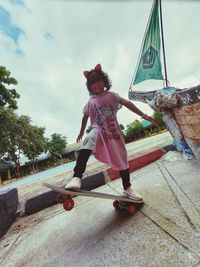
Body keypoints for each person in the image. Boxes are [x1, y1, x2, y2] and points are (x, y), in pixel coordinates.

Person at [65, 63, 158, 201]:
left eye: (98, 80)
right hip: (99, 132)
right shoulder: (91, 102)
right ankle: (77, 177)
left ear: (104, 81)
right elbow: (85, 116)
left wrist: (144, 116)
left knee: (122, 159)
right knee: (89, 138)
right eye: (92, 83)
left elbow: (128, 104)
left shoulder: (112, 96)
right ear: (89, 86)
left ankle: (127, 189)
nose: (95, 84)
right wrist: (80, 133)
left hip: (114, 135)